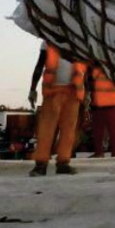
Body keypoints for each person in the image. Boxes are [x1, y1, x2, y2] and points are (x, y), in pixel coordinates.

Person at [28, 41, 87, 176]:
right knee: (46, 129)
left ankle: (63, 163)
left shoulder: (77, 42)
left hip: (72, 93)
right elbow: (39, 65)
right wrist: (32, 89)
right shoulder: (47, 43)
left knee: (69, 130)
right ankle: (41, 164)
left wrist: (87, 93)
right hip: (52, 92)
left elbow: (85, 71)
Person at [87, 65, 115, 158]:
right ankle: (114, 152)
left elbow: (90, 81)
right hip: (112, 103)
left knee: (99, 130)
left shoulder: (96, 70)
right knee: (113, 130)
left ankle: (100, 152)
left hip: (101, 103)